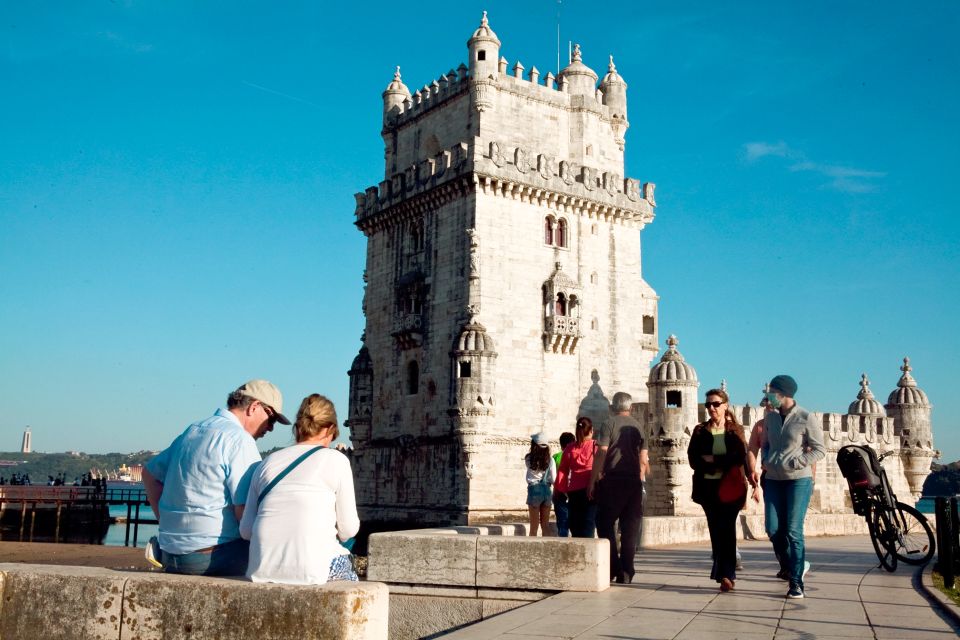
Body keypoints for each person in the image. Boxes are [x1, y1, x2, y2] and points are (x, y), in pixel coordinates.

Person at [142, 379, 289, 576]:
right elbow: (244, 513)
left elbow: (149, 474)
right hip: (212, 557)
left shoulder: (193, 430)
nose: (270, 428)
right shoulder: (239, 439)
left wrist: (167, 522)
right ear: (254, 407)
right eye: (271, 419)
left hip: (169, 554)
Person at [239, 394, 360, 584]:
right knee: (350, 570)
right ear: (330, 429)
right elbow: (349, 530)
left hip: (261, 569)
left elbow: (246, 531)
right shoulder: (336, 459)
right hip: (312, 570)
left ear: (298, 428)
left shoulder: (266, 462)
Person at [762, 374, 826, 599]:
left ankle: (796, 581)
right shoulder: (769, 418)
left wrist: (797, 462)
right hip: (772, 480)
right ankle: (795, 564)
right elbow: (765, 445)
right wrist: (766, 460)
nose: (768, 395)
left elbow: (820, 449)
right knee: (772, 529)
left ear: (783, 393)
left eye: (771, 391)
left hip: (798, 480)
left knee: (793, 530)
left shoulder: (806, 417)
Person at [688, 388, 748, 592]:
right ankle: (721, 571)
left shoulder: (735, 431)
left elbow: (739, 456)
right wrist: (720, 463)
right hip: (708, 488)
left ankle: (727, 574)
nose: (711, 408)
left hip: (731, 488)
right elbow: (694, 460)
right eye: (708, 405)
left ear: (725, 406)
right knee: (715, 530)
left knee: (727, 530)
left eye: (715, 404)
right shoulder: (699, 430)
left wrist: (712, 460)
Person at [590, 391, 649, 584]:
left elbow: (601, 453)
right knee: (630, 528)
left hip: (613, 480)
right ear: (630, 408)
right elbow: (643, 460)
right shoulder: (639, 427)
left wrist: (592, 480)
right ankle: (627, 572)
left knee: (604, 521)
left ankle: (614, 566)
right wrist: (638, 481)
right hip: (633, 481)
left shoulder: (609, 424)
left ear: (613, 408)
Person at [558, 417, 598, 538]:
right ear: (591, 430)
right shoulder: (595, 446)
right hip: (591, 490)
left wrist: (561, 490)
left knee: (575, 524)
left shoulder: (569, 448)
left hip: (574, 491)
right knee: (589, 523)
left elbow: (562, 471)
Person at [525, 432, 556, 536]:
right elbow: (553, 478)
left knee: (534, 527)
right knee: (545, 525)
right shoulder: (550, 460)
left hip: (534, 490)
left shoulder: (529, 458)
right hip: (547, 490)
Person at [552, 431, 576, 537]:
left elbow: (552, 476)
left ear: (560, 444)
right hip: (574, 491)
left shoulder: (555, 457)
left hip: (559, 492)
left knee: (562, 524)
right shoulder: (575, 455)